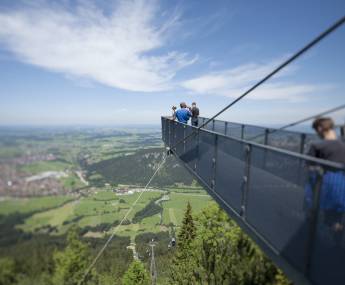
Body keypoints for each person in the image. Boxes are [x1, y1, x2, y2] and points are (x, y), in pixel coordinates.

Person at [305, 117, 345, 243]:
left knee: (316, 217)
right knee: (336, 219)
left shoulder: (317, 146)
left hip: (324, 189)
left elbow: (308, 168)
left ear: (320, 128)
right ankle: (336, 243)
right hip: (341, 189)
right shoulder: (343, 146)